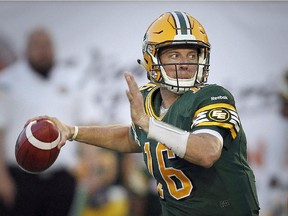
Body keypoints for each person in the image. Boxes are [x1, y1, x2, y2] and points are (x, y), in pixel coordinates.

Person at [27, 11, 260, 216]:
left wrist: (150, 125)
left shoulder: (212, 96)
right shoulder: (149, 98)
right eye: (175, 55)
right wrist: (73, 131)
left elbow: (208, 152)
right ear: (152, 58)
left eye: (192, 54)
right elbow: (132, 137)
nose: (186, 63)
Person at [0, 28, 79, 216]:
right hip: (20, 177)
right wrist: (2, 178)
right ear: (26, 50)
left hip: (63, 175)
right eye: (37, 45)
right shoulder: (7, 81)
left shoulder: (70, 79)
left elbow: (84, 126)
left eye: (47, 45)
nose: (43, 50)